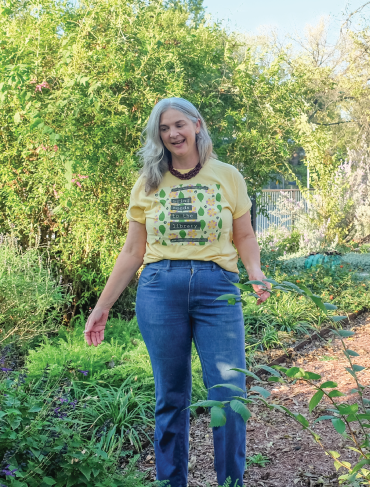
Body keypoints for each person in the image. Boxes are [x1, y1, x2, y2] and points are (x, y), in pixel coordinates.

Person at [84, 97, 271, 487]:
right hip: (159, 291)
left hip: (217, 289)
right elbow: (133, 250)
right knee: (170, 398)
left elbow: (245, 234)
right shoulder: (148, 182)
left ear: (197, 125)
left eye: (179, 125)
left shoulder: (227, 175)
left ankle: (231, 483)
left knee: (230, 395)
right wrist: (102, 307)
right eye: (164, 128)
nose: (172, 134)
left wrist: (255, 271)